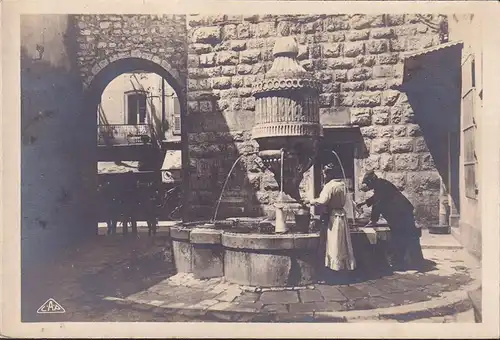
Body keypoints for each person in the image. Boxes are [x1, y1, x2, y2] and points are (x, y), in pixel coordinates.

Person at [356, 171, 424, 270]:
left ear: (371, 181)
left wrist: (373, 221)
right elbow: (376, 198)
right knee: (406, 236)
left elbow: (377, 204)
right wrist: (363, 203)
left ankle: (406, 262)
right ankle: (410, 261)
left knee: (403, 237)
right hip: (402, 212)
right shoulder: (381, 184)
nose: (367, 186)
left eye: (367, 183)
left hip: (401, 214)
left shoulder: (380, 186)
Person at [307, 163, 356, 272]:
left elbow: (323, 201)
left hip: (332, 216)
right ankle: (343, 265)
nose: (324, 176)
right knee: (341, 241)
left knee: (332, 242)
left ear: (329, 174)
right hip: (341, 215)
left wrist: (311, 201)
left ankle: (332, 267)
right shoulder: (342, 184)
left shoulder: (329, 186)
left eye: (325, 174)